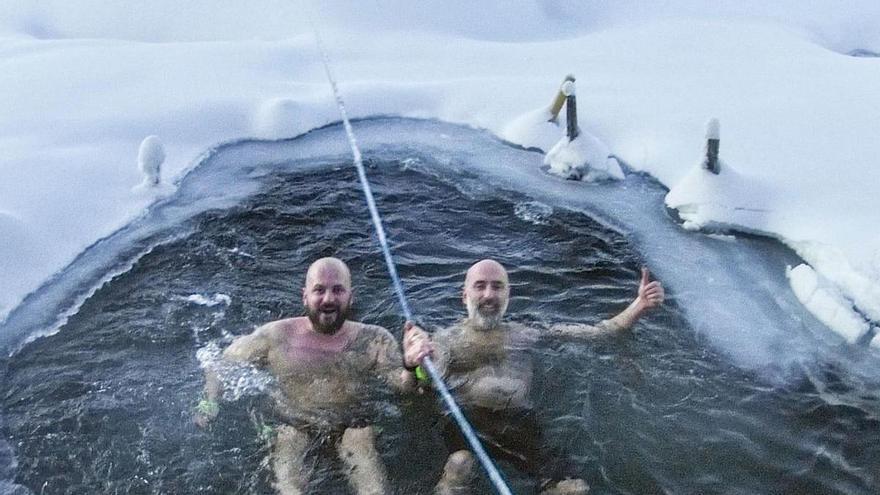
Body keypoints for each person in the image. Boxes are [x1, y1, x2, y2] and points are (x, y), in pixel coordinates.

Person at [403, 259, 665, 495]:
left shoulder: (528, 334)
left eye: (497, 287)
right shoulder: (444, 341)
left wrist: (639, 305)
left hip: (520, 423)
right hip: (468, 423)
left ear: (508, 294)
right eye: (480, 286)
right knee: (460, 466)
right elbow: (423, 381)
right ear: (464, 296)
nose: (488, 294)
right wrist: (416, 363)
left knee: (574, 489)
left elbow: (598, 333)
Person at [195, 257, 451, 495]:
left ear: (351, 297)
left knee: (362, 448)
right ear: (304, 297)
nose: (328, 299)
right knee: (289, 458)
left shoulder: (373, 339)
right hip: (294, 424)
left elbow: (404, 387)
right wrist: (209, 402)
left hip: (353, 425)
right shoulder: (275, 336)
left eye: (338, 290)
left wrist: (412, 365)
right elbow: (219, 363)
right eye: (319, 290)